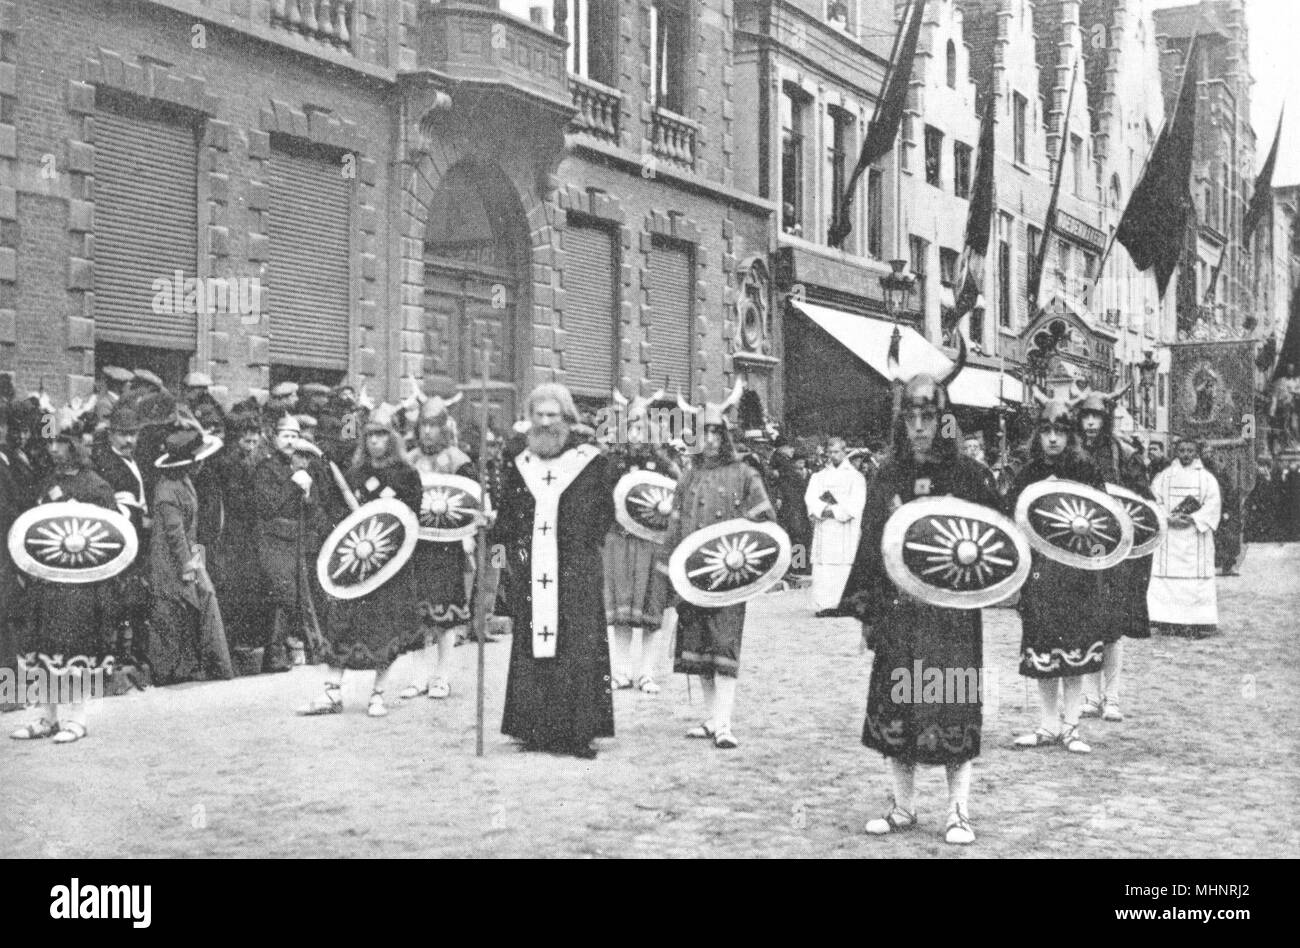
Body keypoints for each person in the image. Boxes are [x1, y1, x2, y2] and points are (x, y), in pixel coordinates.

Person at [839, 337, 989, 844]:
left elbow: (994, 543)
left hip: (950, 616)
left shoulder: (969, 476)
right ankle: (903, 807)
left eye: (929, 417)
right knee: (899, 706)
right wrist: (866, 613)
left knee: (951, 705)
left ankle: (958, 811)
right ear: (902, 421)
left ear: (944, 418)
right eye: (911, 418)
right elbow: (869, 546)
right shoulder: (888, 475)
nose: (920, 427)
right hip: (900, 614)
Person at [490, 383, 616, 758]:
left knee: (577, 646)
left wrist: (581, 547)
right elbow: (505, 521)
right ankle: (533, 729)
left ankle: (578, 733)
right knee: (533, 644)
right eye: (539, 415)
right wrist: (498, 563)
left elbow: (604, 515)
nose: (545, 423)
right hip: (531, 569)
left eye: (553, 416)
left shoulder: (590, 462)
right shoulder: (519, 463)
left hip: (576, 569)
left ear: (567, 419)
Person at [660, 382, 776, 750]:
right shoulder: (689, 475)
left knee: (724, 646)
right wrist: (668, 573)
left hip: (728, 577)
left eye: (715, 432)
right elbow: (675, 525)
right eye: (703, 432)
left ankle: (725, 723)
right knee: (700, 649)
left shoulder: (744, 473)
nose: (709, 440)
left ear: (725, 435)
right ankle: (711, 719)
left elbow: (765, 520)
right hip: (694, 579)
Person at [299, 418, 422, 717]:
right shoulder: (355, 474)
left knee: (384, 629)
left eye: (381, 435)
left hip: (390, 564)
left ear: (391, 438)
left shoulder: (406, 475)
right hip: (357, 564)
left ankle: (378, 694)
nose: (374, 441)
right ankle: (332, 692)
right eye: (369, 436)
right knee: (341, 625)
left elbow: (410, 517)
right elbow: (341, 516)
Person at [1006, 395, 1107, 755]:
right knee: (1043, 647)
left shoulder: (1086, 471)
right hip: (1039, 573)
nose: (1052, 438)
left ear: (1070, 435)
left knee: (1075, 650)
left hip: (1076, 572)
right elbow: (1011, 517)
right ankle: (1048, 724)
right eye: (1046, 431)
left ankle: (1071, 726)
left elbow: (1103, 522)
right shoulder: (1028, 472)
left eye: (1060, 432)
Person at [8, 432, 116, 744]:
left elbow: (110, 536)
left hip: (81, 587)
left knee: (77, 649)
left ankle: (78, 718)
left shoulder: (96, 486)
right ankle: (48, 717)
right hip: (47, 583)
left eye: (61, 443)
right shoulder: (46, 482)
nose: (54, 449)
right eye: (51, 443)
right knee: (44, 647)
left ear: (76, 447)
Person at [1074, 390, 1152, 724]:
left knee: (1112, 626)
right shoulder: (1072, 453)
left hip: (1115, 550)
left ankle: (1113, 698)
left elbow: (1141, 502)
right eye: (1085, 417)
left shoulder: (1124, 454)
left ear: (1106, 420)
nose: (1090, 423)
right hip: (1079, 549)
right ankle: (1090, 697)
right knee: (1085, 623)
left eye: (1096, 418)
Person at [399, 394, 476, 701]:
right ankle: (418, 677)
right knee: (415, 614)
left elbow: (471, 502)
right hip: (415, 544)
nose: (427, 432)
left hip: (447, 548)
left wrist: (468, 535)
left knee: (445, 616)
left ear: (444, 427)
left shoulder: (459, 461)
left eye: (433, 425)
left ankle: (442, 676)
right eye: (423, 425)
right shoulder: (409, 459)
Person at [603, 388, 678, 694]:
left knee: (650, 611)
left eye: (641, 427)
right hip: (619, 542)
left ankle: (646, 672)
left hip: (651, 544)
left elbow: (675, 496)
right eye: (631, 427)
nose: (635, 434)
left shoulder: (662, 463)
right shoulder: (613, 462)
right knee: (621, 613)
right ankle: (620, 671)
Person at [147, 428, 233, 684]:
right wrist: (191, 569)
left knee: (202, 599)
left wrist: (197, 565)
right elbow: (176, 538)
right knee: (171, 611)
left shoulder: (184, 482)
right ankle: (170, 670)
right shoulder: (167, 492)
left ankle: (205, 665)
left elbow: (190, 533)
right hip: (169, 562)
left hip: (190, 554)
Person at [254, 415, 324, 673]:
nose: (291, 441)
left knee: (293, 596)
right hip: (273, 539)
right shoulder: (266, 469)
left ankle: (287, 651)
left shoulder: (294, 468)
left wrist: (305, 494)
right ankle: (273, 655)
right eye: (286, 435)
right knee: (281, 595)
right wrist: (294, 487)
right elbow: (268, 506)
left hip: (293, 540)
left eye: (295, 436)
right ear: (274, 438)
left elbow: (309, 508)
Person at [92, 404, 153, 672]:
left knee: (132, 595)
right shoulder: (104, 462)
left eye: (133, 434)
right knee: (117, 597)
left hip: (138, 539)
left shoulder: (134, 458)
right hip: (119, 541)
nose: (129, 440)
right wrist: (137, 515)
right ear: (110, 435)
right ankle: (114, 652)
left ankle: (128, 650)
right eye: (123, 434)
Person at [1148, 434, 1222, 637]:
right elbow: (1155, 501)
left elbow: (1213, 504)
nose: (1186, 455)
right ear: (1176, 451)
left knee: (1194, 581)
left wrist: (1193, 518)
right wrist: (1167, 518)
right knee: (1168, 579)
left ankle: (1196, 621)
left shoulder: (1206, 478)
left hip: (1194, 537)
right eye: (1182, 451)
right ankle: (1167, 620)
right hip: (1170, 537)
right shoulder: (1164, 476)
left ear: (1196, 452)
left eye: (1190, 451)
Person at [804, 437, 866, 617]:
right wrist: (823, 510)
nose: (833, 456)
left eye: (837, 452)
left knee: (843, 565)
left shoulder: (855, 477)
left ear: (844, 451)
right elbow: (811, 498)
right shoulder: (819, 476)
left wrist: (836, 511)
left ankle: (842, 604)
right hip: (825, 528)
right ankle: (824, 605)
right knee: (825, 567)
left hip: (844, 530)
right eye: (830, 452)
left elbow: (856, 504)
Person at [769, 437, 812, 577]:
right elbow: (793, 481)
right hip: (792, 505)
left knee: (797, 535)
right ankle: (797, 566)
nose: (792, 450)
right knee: (797, 534)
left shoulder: (782, 461)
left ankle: (797, 565)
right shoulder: (781, 461)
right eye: (789, 447)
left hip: (794, 504)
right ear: (782, 448)